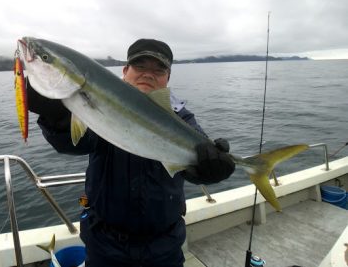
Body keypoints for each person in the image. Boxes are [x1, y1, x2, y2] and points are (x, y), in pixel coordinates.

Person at [27, 38, 235, 267]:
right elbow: (75, 142)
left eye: (159, 69)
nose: (149, 74)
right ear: (125, 71)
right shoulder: (99, 103)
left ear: (168, 78)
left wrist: (210, 169)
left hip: (163, 245)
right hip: (105, 243)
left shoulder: (182, 118)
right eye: (140, 66)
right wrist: (56, 118)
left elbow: (194, 164)